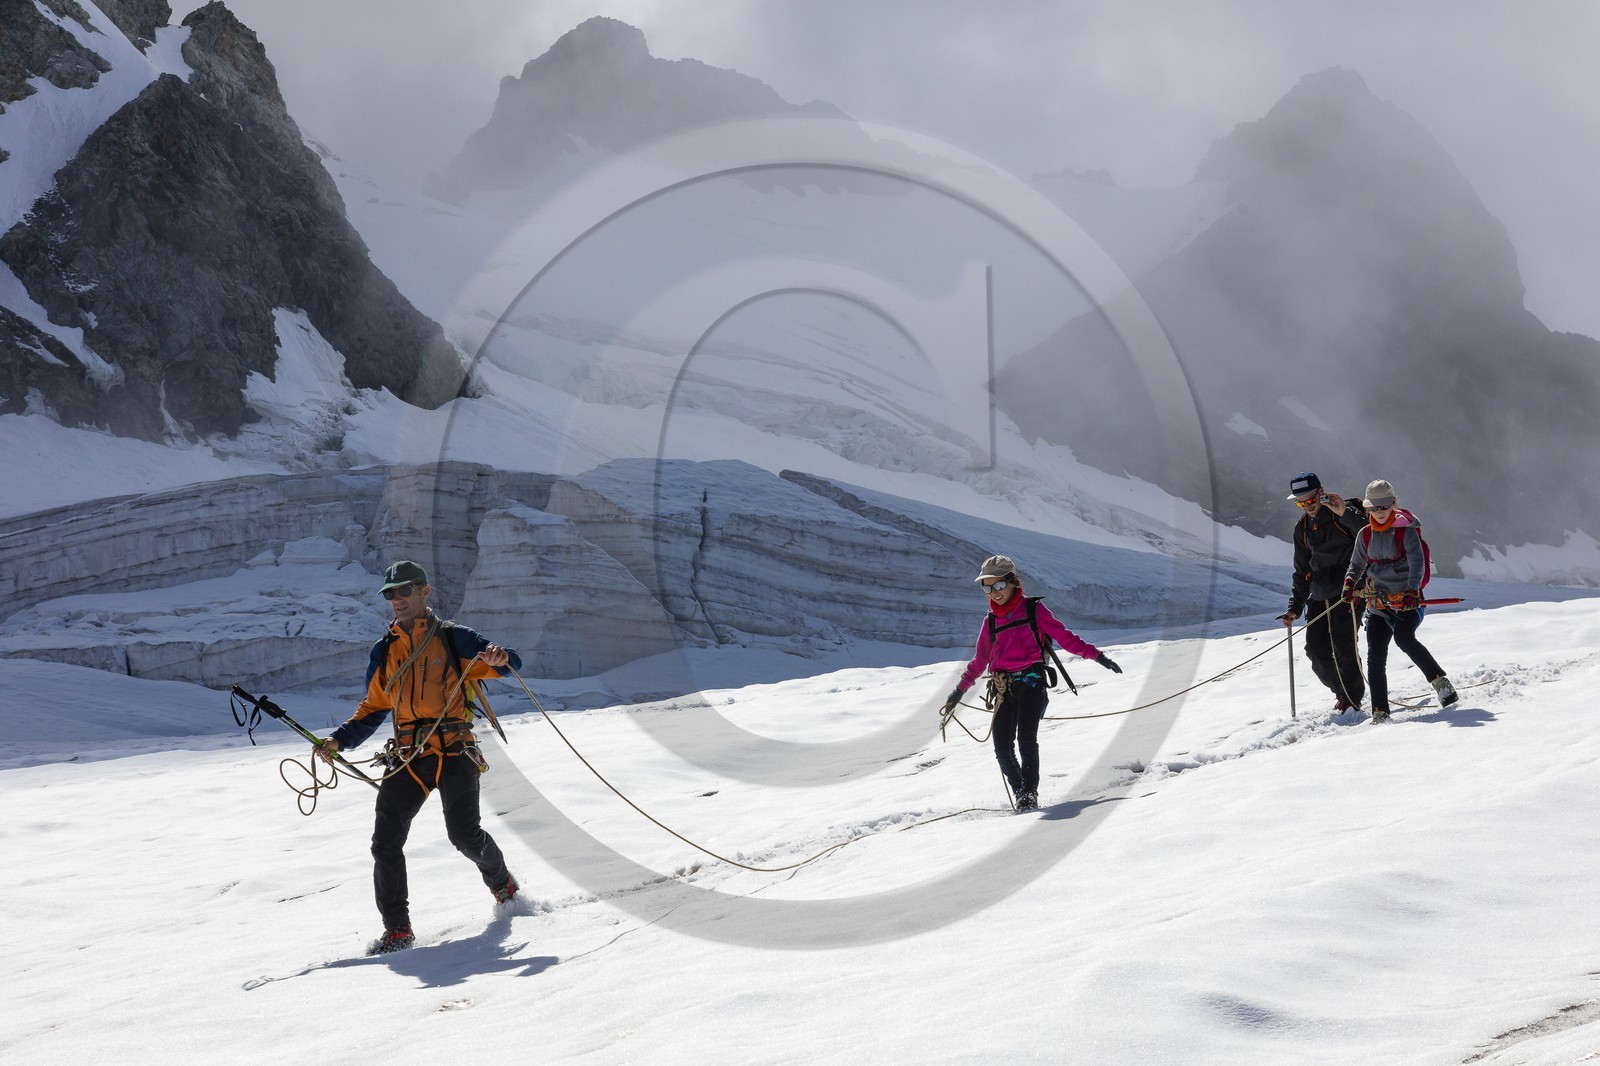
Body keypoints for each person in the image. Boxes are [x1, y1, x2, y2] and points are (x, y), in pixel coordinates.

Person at [315, 560, 524, 955]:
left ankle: (502, 883)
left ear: (425, 592)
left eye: (404, 590)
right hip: (408, 756)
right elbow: (374, 707)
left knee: (464, 836)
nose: (397, 599)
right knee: (385, 842)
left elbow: (510, 662)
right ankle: (398, 930)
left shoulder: (454, 638)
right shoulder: (385, 649)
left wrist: (500, 658)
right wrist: (338, 741)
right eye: (390, 593)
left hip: (454, 751)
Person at [939, 555, 1122, 812]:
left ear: (1013, 582)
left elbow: (1066, 638)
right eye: (987, 587)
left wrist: (1098, 656)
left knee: (1025, 738)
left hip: (1033, 685)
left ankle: (1029, 795)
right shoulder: (990, 622)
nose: (994, 592)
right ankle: (1021, 794)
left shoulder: (1034, 610)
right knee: (1002, 746)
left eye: (999, 585)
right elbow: (979, 661)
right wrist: (958, 692)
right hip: (1004, 689)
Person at [1342, 481, 1458, 723]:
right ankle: (1380, 711)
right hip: (1378, 605)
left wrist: (1412, 590)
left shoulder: (1406, 531)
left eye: (1384, 505)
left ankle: (1440, 682)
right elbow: (1356, 565)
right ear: (1367, 509)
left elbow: (1417, 563)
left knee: (1404, 638)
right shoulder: (1365, 535)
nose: (1380, 511)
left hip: (1408, 601)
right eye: (1374, 507)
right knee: (1375, 654)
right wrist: (1350, 583)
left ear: (1393, 504)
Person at [1279, 472, 1367, 712]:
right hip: (1318, 595)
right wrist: (1294, 608)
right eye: (1300, 502)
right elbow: (1302, 570)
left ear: (1321, 492)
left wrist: (1345, 512)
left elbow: (1369, 534)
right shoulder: (1302, 528)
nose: (1307, 506)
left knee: (1344, 646)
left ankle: (1351, 700)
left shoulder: (1342, 512)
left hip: (1349, 592)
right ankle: (1343, 693)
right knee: (1315, 650)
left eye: (1310, 500)